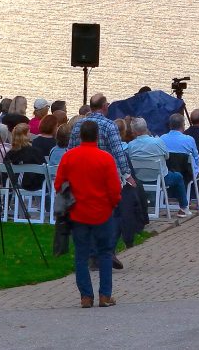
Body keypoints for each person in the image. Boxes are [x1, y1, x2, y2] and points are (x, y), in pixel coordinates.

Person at [55, 119, 122, 308]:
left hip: (78, 213)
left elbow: (59, 184)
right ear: (97, 136)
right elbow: (114, 188)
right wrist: (112, 204)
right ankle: (105, 295)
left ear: (79, 136)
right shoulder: (106, 158)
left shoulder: (69, 157)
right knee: (105, 254)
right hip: (102, 211)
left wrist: (70, 200)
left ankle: (86, 296)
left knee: (81, 255)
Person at [127, 117, 191, 217]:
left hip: (140, 179)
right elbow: (167, 156)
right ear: (146, 128)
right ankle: (184, 208)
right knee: (178, 177)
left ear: (134, 131)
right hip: (160, 179)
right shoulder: (157, 142)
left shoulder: (131, 146)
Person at [68, 93, 131, 183]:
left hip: (81, 176)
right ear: (104, 106)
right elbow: (118, 152)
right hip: (104, 176)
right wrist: (127, 175)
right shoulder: (110, 125)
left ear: (91, 107)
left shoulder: (78, 124)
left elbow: (70, 150)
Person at [162, 113, 199, 201]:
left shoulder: (162, 139)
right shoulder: (189, 139)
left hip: (168, 170)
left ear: (170, 125)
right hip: (187, 172)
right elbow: (196, 158)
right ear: (183, 125)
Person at [4, 123, 46, 190]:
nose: (30, 134)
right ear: (25, 135)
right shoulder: (35, 152)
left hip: (13, 184)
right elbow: (43, 170)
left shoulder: (10, 154)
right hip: (33, 185)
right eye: (29, 132)